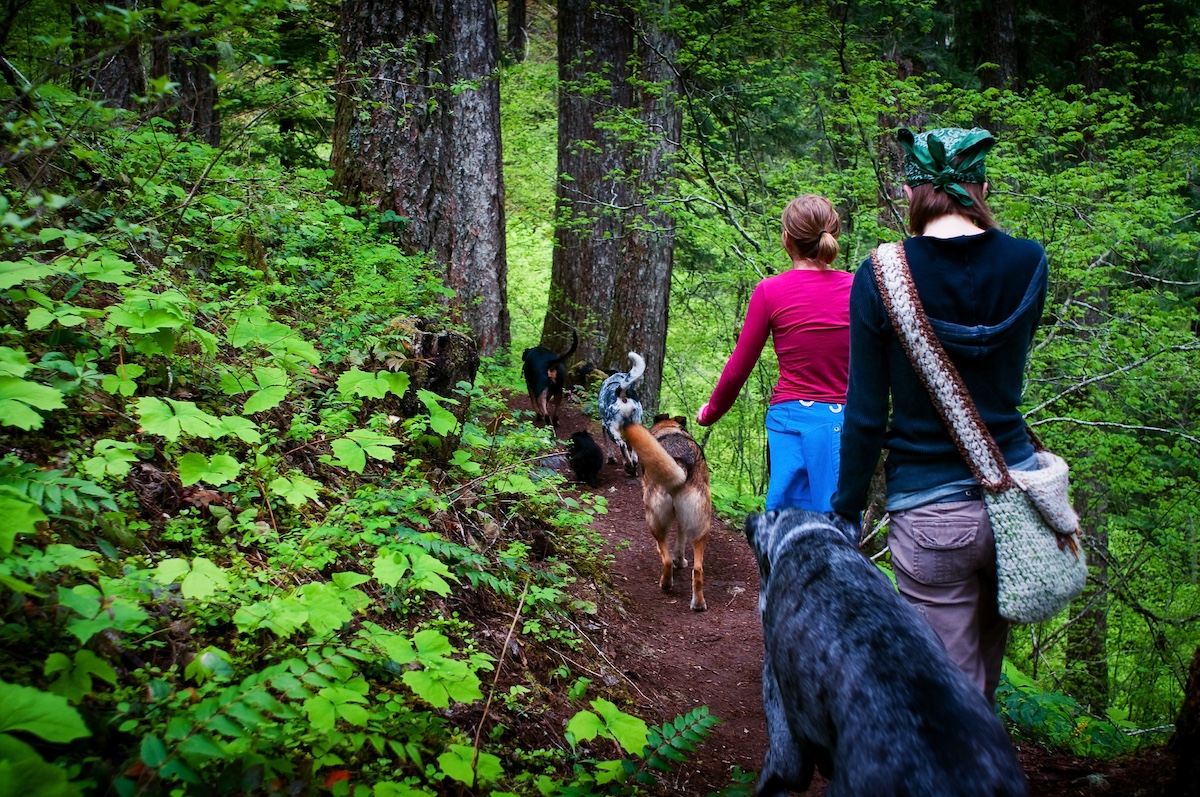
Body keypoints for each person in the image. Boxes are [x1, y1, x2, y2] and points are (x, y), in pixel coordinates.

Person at [832, 127, 1049, 702]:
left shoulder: (881, 274)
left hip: (931, 514)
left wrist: (847, 510)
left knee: (948, 699)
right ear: (982, 188)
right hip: (1014, 495)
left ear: (910, 193)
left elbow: (865, 414)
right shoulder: (1030, 262)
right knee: (982, 686)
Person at [695, 194, 852, 513]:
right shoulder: (858, 287)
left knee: (784, 525)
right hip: (843, 421)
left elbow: (739, 368)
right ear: (832, 235)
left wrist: (711, 412)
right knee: (838, 524)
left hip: (789, 420)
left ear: (787, 239)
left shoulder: (770, 291)